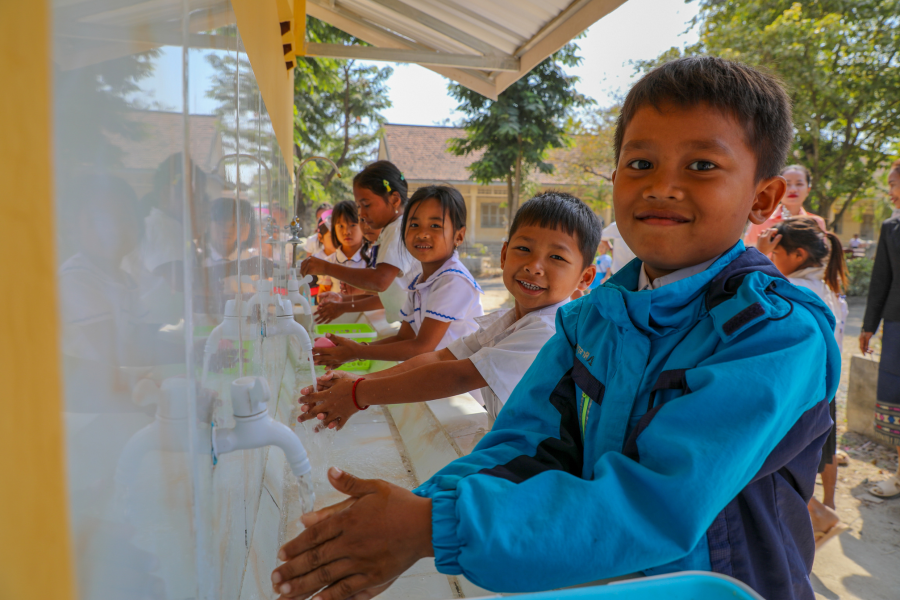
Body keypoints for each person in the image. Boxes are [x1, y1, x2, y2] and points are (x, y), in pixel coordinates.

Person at [270, 57, 840, 600]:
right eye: (641, 163)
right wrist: (413, 515)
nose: (662, 185)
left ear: (763, 198)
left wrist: (430, 526)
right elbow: (525, 443)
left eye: (701, 165)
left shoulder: (774, 335)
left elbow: (655, 501)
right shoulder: (591, 319)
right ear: (615, 177)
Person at [297, 191, 600, 429]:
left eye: (556, 258)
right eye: (524, 249)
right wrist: (360, 382)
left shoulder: (549, 329)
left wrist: (357, 392)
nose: (534, 266)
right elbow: (442, 356)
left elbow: (455, 374)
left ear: (585, 277)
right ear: (504, 254)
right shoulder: (511, 318)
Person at [314, 185, 483, 367]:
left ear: (459, 236)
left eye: (435, 225)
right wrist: (356, 350)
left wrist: (357, 351)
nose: (422, 234)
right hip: (438, 377)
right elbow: (404, 338)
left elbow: (422, 347)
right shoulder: (420, 282)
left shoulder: (453, 281)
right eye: (414, 225)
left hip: (463, 389)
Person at [765, 217, 849, 547]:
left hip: (800, 392)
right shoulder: (824, 286)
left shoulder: (797, 290)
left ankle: (819, 518)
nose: (771, 260)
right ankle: (817, 517)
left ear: (797, 255)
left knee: (774, 465)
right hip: (821, 391)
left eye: (776, 253)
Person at [300, 161, 415, 321]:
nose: (362, 214)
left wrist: (326, 267)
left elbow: (380, 281)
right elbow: (390, 289)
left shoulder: (397, 229)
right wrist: (348, 297)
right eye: (359, 207)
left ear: (395, 200)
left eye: (366, 205)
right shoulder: (391, 229)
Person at [861, 159, 900, 499]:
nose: (891, 190)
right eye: (889, 183)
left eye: (894, 182)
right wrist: (868, 326)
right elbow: (881, 280)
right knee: (897, 400)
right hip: (898, 325)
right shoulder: (891, 227)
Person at [315, 202, 376, 323]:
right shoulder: (329, 263)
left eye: (353, 225)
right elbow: (322, 294)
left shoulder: (373, 260)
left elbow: (378, 297)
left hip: (366, 321)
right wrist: (326, 300)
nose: (346, 231)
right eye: (340, 226)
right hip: (337, 321)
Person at [744, 164, 826, 249]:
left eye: (799, 184)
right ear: (778, 189)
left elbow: (820, 259)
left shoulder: (816, 223)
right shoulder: (760, 221)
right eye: (788, 184)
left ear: (808, 190)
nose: (793, 189)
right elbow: (747, 258)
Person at [200, 198, 257, 267]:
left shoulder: (250, 259)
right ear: (209, 224)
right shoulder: (199, 257)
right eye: (221, 224)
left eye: (233, 225)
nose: (227, 230)